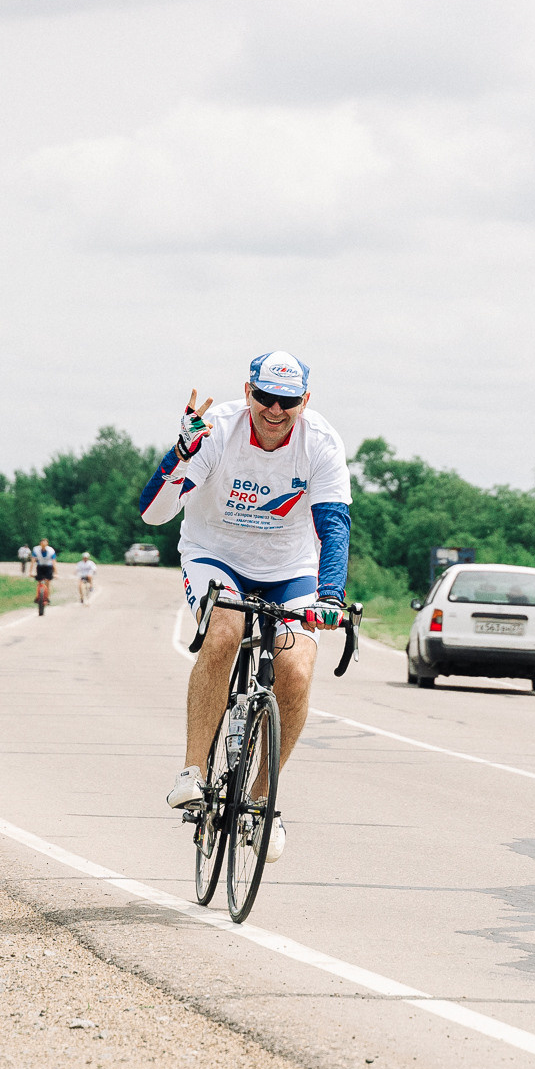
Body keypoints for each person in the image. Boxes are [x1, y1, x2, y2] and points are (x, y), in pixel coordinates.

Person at [135, 350, 349, 864]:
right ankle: (192, 772)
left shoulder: (321, 441)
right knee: (226, 630)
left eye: (288, 401)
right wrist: (180, 454)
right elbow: (153, 515)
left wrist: (331, 595)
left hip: (290, 566)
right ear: (248, 391)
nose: (275, 410)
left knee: (296, 669)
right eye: (265, 397)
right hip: (215, 554)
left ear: (305, 401)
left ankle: (261, 801)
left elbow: (334, 524)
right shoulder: (216, 430)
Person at [32, 538, 57, 610]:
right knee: (39, 581)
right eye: (42, 543)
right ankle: (38, 596)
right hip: (40, 566)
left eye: (45, 543)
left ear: (47, 544)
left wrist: (56, 572)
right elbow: (33, 560)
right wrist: (30, 571)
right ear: (40, 544)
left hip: (48, 567)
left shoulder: (51, 550)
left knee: (47, 582)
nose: (43, 544)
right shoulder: (36, 549)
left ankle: (47, 597)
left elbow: (54, 562)